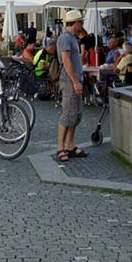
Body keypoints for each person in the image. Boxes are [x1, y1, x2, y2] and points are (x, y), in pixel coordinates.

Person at [56, 9, 87, 162]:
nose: (82, 25)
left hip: (76, 79)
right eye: (80, 22)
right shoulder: (65, 38)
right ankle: (60, 147)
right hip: (69, 81)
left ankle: (70, 145)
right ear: (75, 23)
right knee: (68, 114)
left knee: (76, 114)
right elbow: (66, 60)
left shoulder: (73, 38)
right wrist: (75, 81)